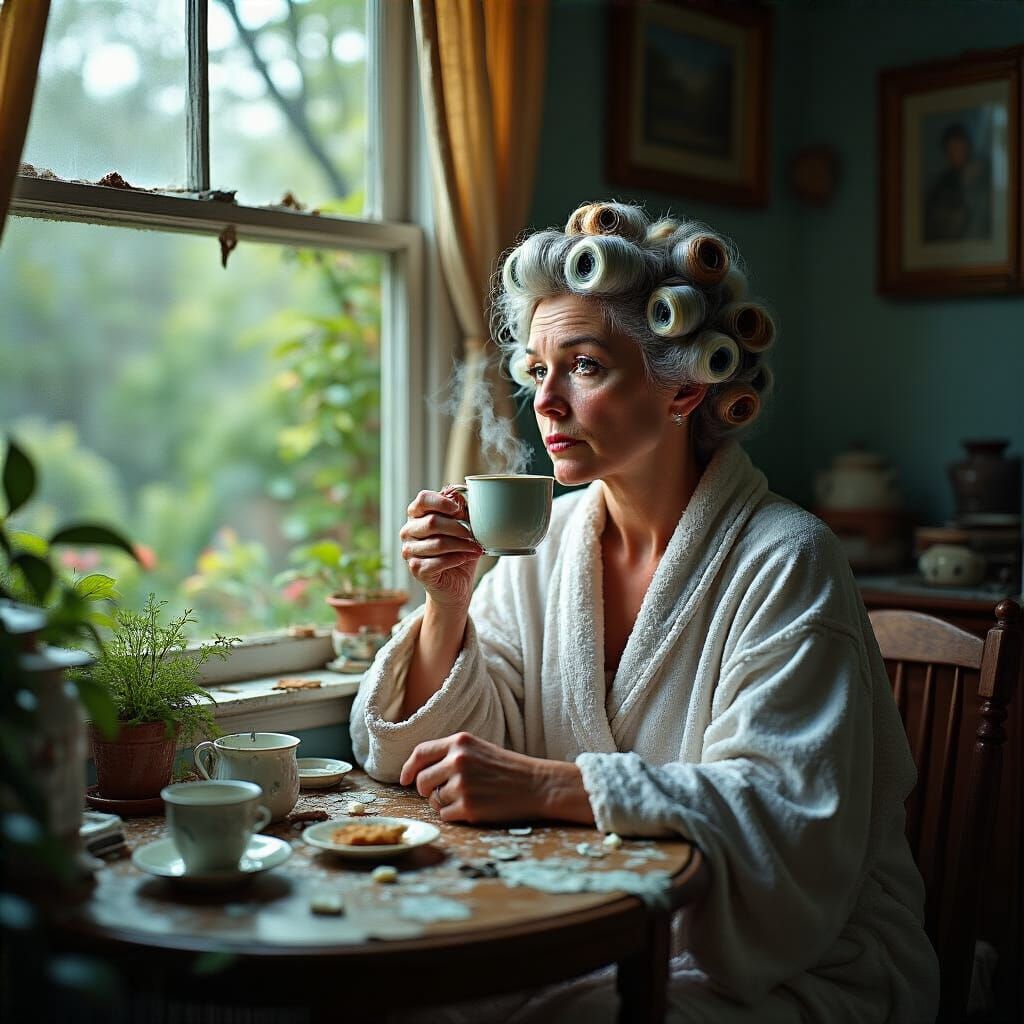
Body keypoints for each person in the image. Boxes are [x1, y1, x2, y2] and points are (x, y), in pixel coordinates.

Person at [351, 201, 939, 1023]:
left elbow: (787, 816)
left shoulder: (787, 559)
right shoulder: (545, 547)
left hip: (791, 961)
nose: (545, 402)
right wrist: (445, 606)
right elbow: (419, 757)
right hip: (590, 918)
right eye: (536, 370)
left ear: (684, 386)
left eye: (584, 366)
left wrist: (555, 786)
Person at [924, 120, 992, 242]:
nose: (956, 153)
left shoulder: (983, 174)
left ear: (968, 147)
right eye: (952, 149)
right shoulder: (941, 184)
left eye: (960, 148)